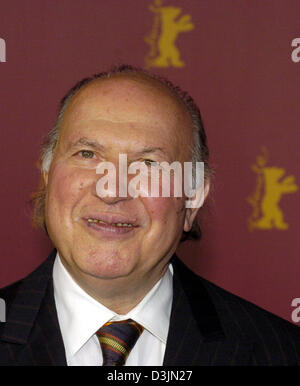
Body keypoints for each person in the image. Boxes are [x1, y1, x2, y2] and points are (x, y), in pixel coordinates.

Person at [0, 65, 299, 366]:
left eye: (147, 163)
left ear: (193, 196)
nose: (111, 190)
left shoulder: (281, 354)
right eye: (87, 154)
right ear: (48, 176)